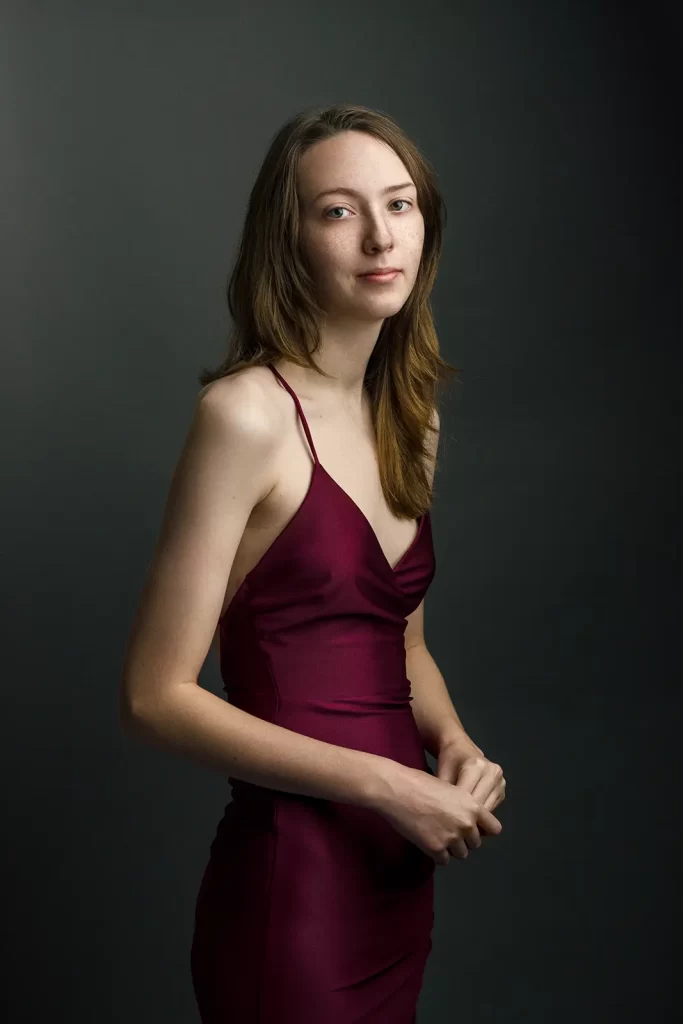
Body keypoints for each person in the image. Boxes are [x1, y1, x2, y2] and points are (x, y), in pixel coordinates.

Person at [119, 103, 506, 1024]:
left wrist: (450, 745)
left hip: (396, 878)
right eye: (338, 211)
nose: (380, 236)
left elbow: (399, 649)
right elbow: (152, 696)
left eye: (400, 204)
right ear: (286, 239)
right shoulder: (245, 416)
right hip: (296, 886)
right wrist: (386, 783)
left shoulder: (409, 417)